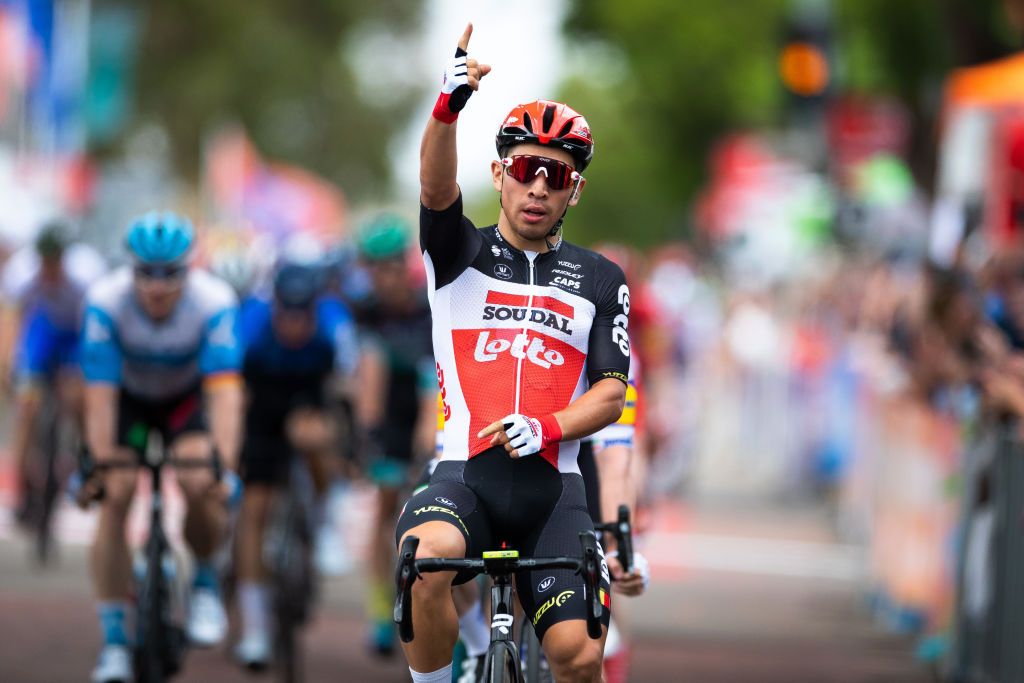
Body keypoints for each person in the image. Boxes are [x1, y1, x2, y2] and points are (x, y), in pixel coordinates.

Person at [394, 24, 631, 683]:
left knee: (579, 655)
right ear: (500, 175)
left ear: (573, 191)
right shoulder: (458, 254)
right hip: (464, 475)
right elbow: (436, 186)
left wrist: (547, 427)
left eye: (556, 175)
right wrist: (448, 106)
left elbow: (611, 391)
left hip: (555, 489)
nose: (538, 187)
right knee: (426, 561)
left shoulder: (601, 278)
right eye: (525, 169)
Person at [80, 211, 244, 683]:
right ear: (128, 268)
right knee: (116, 492)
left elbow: (226, 394)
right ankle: (114, 642)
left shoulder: (213, 302)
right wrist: (98, 461)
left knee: (199, 479)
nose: (156, 287)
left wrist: (224, 468)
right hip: (128, 405)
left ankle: (206, 579)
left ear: (187, 270)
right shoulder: (105, 302)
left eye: (169, 274)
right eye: (145, 274)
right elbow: (99, 396)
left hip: (182, 404)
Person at [231, 258, 356, 667]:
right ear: (276, 306)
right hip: (261, 407)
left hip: (307, 398)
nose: (296, 323)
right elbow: (233, 392)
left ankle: (322, 523)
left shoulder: (331, 327)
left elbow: (341, 390)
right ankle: (254, 630)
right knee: (254, 510)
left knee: (318, 438)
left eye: (304, 314)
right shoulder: (251, 324)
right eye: (288, 312)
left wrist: (342, 438)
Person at [351, 213, 437, 656]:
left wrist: (430, 439)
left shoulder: (428, 301)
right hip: (386, 411)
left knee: (423, 500)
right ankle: (379, 607)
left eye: (388, 266)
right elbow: (363, 378)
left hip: (426, 402)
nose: (382, 276)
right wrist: (365, 433)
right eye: (373, 267)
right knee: (385, 503)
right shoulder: (365, 309)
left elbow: (433, 382)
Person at [0, 222, 104, 524]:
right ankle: (22, 490)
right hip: (42, 332)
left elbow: (97, 328)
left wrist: (84, 376)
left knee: (76, 398)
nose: (50, 270)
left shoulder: (86, 275)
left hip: (76, 333)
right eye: (45, 262)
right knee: (27, 408)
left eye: (55, 262)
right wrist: (9, 367)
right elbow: (11, 322)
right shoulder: (21, 274)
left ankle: (86, 460)